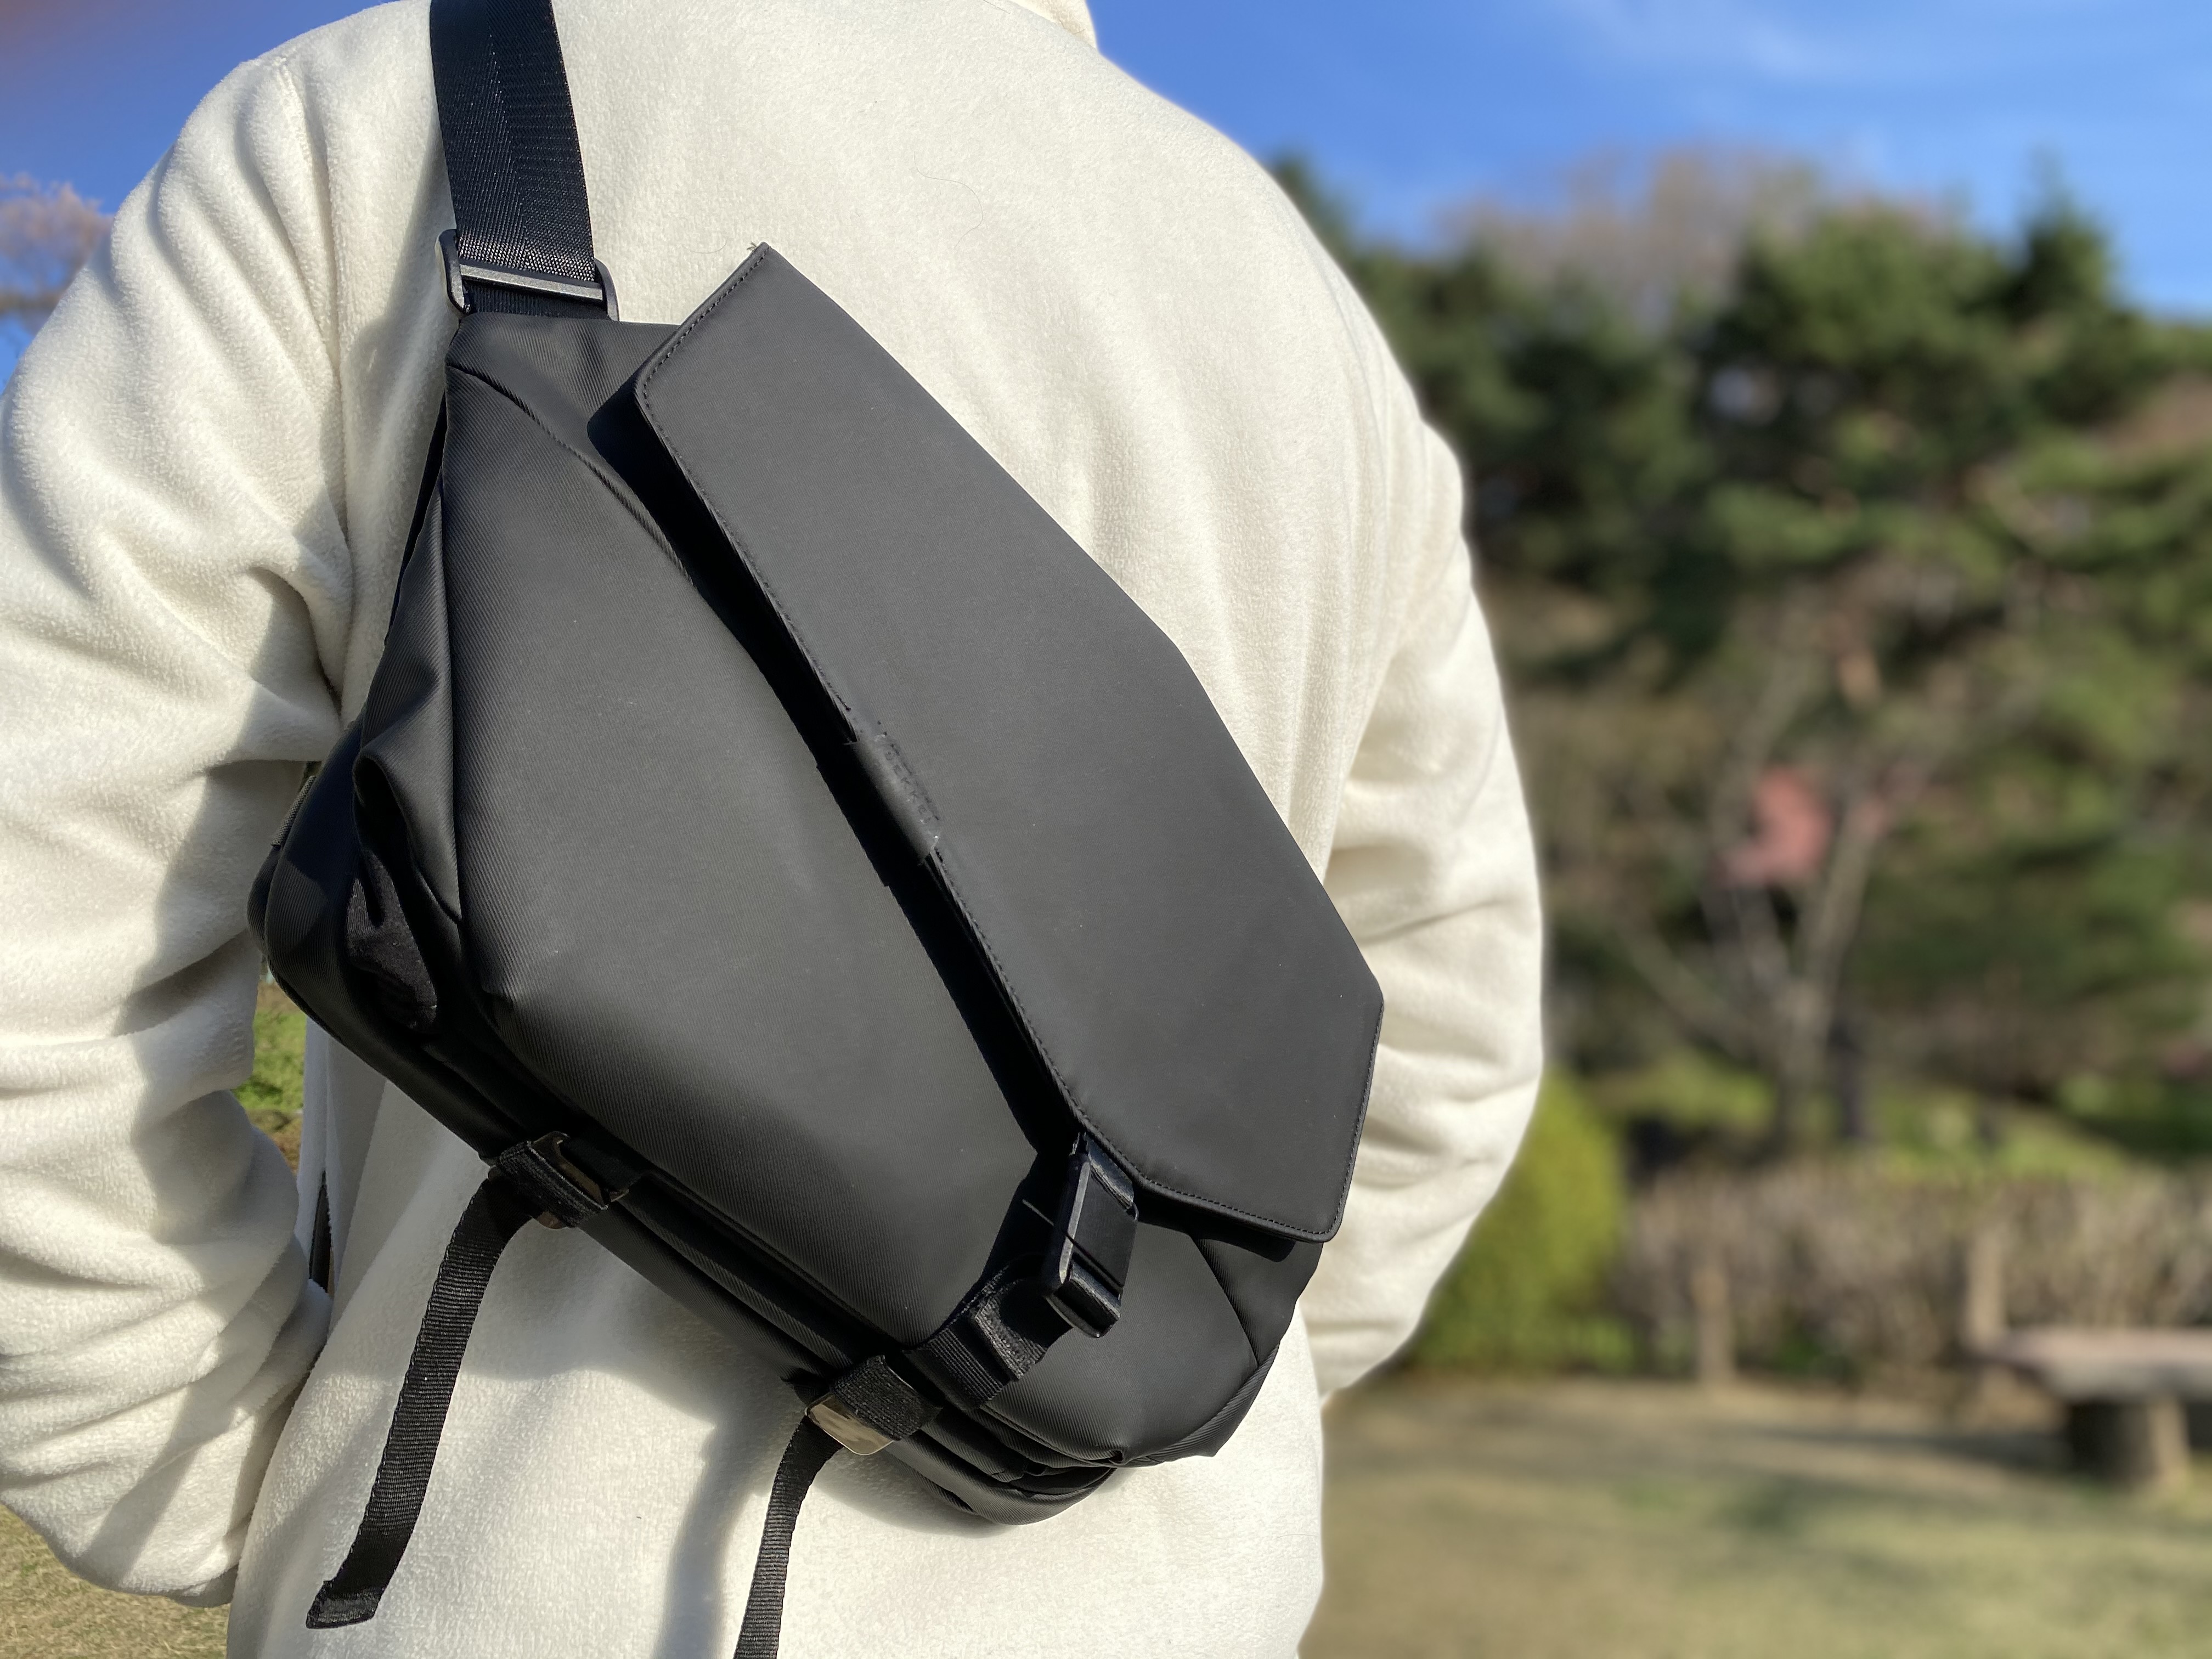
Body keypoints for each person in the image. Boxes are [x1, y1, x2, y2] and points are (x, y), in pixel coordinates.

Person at [0, 1, 1542, 1652]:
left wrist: (218, 1474)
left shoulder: (390, 117)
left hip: (528, 1600)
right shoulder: (1306, 318)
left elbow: (40, 919)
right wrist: (1124, 1391)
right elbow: (1446, 1053)